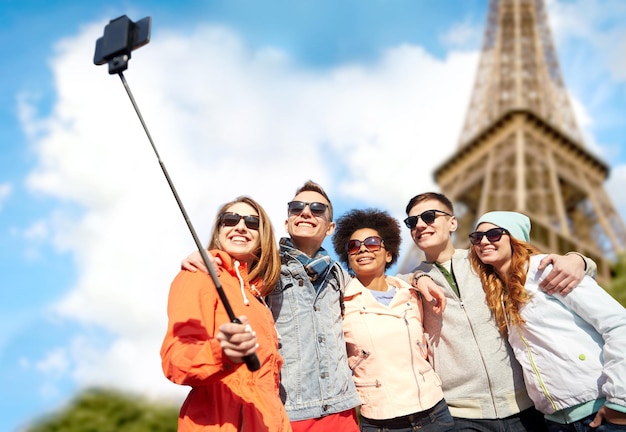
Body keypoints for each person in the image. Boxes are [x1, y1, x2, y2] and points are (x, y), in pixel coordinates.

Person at [403, 192, 598, 432]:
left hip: (524, 406)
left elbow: (532, 265)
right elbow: (383, 285)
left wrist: (579, 259)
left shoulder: (485, 260)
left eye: (429, 216)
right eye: (412, 222)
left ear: (453, 222)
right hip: (461, 413)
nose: (420, 225)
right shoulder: (406, 284)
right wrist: (418, 275)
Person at [182, 181, 361, 432]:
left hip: (341, 411)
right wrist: (209, 255)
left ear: (330, 227)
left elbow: (379, 288)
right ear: (287, 222)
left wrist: (420, 277)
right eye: (296, 207)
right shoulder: (266, 267)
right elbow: (235, 265)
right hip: (289, 412)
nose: (306, 212)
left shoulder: (339, 275)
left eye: (317, 209)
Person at [468, 211, 626, 432]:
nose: (484, 241)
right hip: (555, 422)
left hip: (600, 409)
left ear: (514, 239)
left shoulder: (546, 270)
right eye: (476, 237)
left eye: (494, 234)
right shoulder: (496, 293)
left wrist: (620, 401)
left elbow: (618, 324)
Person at [160, 196, 291, 431]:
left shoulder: (259, 299)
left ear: (263, 237)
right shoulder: (198, 275)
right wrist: (222, 353)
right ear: (219, 231)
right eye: (230, 220)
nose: (240, 226)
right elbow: (175, 360)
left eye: (252, 222)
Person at [332, 208, 454, 432]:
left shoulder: (412, 293)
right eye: (354, 246)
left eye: (372, 242)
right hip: (380, 420)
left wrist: (418, 276)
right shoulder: (340, 303)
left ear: (388, 254)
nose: (362, 249)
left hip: (433, 412)